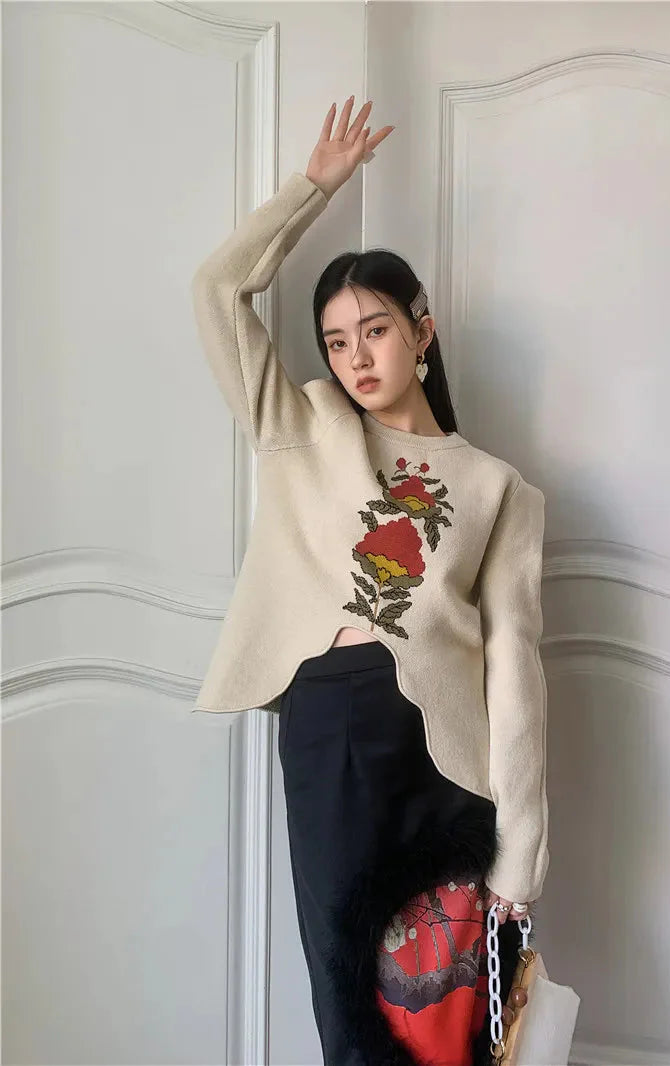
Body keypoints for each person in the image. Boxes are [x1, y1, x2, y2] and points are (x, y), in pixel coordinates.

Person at [190, 95, 549, 1066]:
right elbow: (216, 290)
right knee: (354, 1013)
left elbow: (517, 676)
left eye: (375, 331)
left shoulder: (498, 489)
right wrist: (313, 189)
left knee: (451, 1019)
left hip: (450, 764)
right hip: (334, 732)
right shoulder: (301, 426)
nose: (355, 357)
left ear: (422, 333)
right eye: (337, 340)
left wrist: (521, 855)